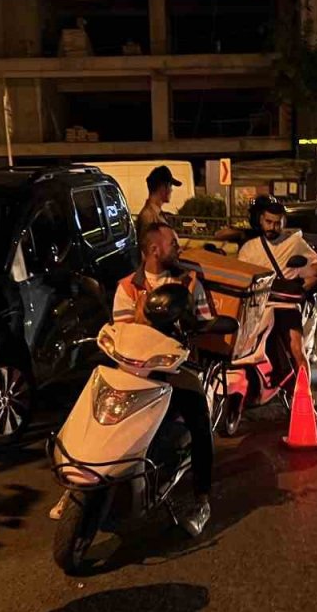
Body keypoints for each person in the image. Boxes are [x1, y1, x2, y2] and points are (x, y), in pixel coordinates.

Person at [50, 223, 216, 536]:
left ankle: (201, 499)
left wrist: (195, 324)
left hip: (175, 370)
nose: (178, 248)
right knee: (90, 404)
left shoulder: (190, 282)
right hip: (132, 370)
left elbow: (205, 320)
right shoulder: (128, 286)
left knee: (199, 422)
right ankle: (76, 483)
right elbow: (124, 329)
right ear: (155, 249)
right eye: (173, 243)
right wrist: (144, 316)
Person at [237, 196, 317, 377]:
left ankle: (305, 396)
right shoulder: (248, 248)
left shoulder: (295, 242)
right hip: (258, 308)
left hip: (286, 306)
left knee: (297, 350)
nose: (272, 227)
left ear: (284, 223)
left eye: (277, 223)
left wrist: (303, 289)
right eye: (268, 222)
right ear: (261, 220)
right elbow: (241, 279)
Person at [136, 165, 182, 239]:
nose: (171, 190)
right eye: (170, 185)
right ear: (163, 187)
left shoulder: (157, 214)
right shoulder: (149, 217)